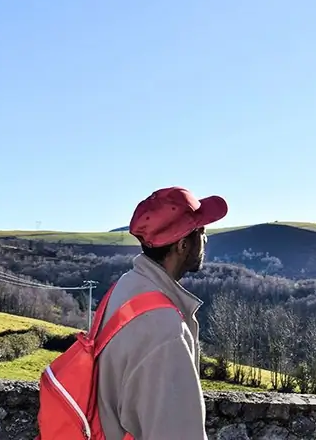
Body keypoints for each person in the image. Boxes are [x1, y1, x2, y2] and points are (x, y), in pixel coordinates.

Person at [95, 186, 228, 440]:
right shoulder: (165, 331)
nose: (206, 238)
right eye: (201, 230)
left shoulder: (125, 289)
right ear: (182, 244)